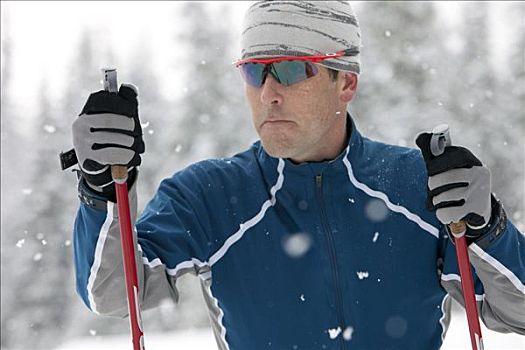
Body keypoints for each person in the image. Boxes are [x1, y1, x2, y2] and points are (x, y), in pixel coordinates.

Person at [70, 1, 525, 349]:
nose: (268, 94)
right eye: (255, 72)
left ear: (345, 82)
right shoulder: (211, 195)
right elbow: (113, 293)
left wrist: (489, 229)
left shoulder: (418, 186)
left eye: (290, 69)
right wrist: (100, 189)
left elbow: (518, 311)